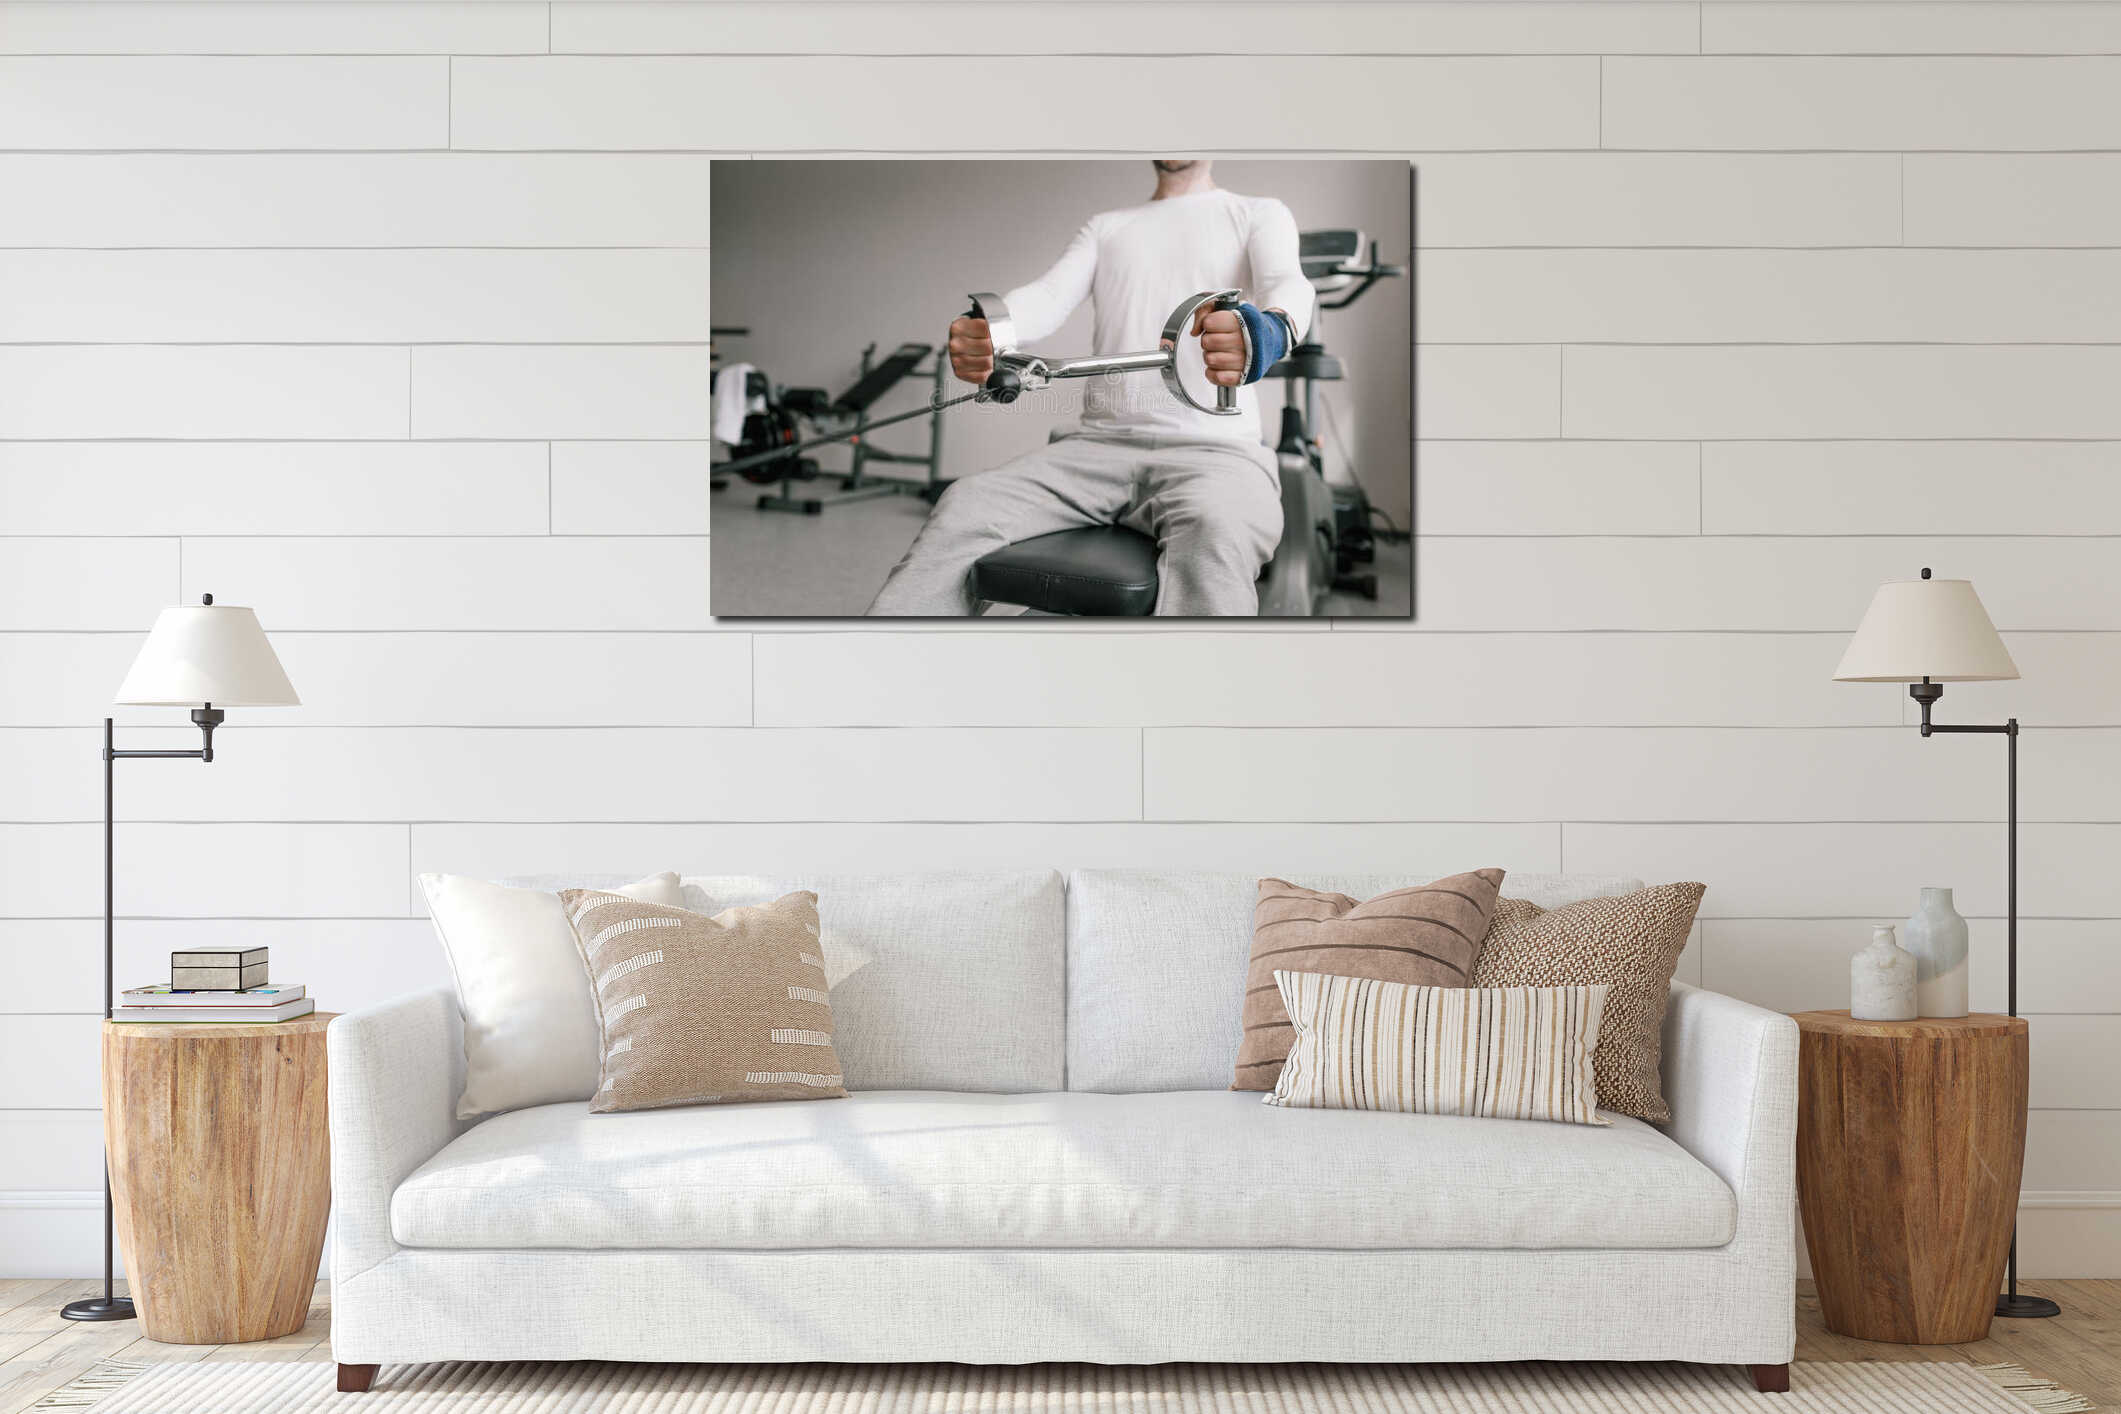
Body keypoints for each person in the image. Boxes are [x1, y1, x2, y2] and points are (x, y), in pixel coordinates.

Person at [867, 160, 1314, 616]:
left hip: (1216, 453)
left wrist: (1267, 332)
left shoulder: (1258, 213)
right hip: (1092, 450)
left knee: (1215, 533)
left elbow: (1288, 285)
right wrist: (992, 330)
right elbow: (1048, 297)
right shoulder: (1107, 227)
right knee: (963, 506)